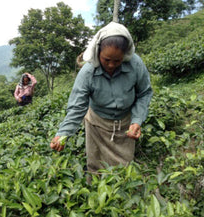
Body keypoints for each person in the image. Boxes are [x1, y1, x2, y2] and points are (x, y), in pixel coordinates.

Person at [50, 22, 153, 177]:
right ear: (98, 53)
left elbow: (144, 93)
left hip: (125, 125)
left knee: (123, 170)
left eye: (117, 61)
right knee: (96, 167)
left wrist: (137, 120)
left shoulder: (135, 65)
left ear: (124, 56)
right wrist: (63, 133)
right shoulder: (87, 73)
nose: (111, 65)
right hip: (97, 125)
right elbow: (77, 107)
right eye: (106, 59)